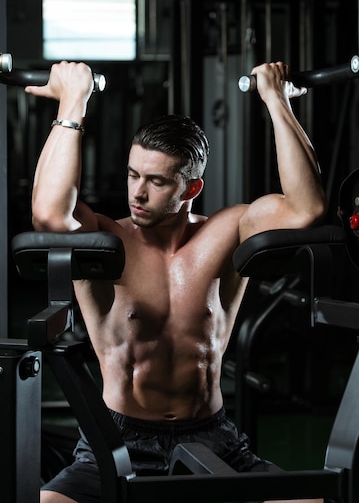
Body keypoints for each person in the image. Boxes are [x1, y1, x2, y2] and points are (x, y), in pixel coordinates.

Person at [26, 59, 327, 503]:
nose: (137, 193)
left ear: (191, 189)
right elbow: (50, 214)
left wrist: (275, 99)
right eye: (132, 175)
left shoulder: (224, 233)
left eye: (156, 181)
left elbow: (306, 209)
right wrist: (74, 102)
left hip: (213, 437)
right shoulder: (106, 240)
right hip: (116, 443)